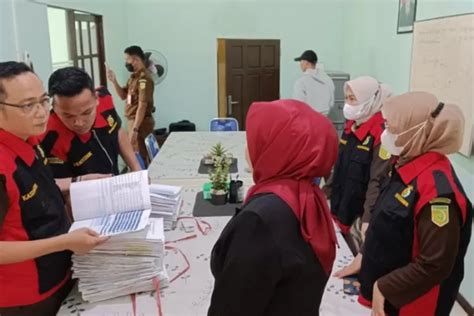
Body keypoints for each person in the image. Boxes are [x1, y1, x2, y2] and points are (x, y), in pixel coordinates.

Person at [208, 99, 339, 316]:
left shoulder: (260, 221)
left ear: (277, 149)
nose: (248, 146)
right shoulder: (307, 197)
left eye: (257, 138)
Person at [0, 61, 108, 315]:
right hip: (24, 297)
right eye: (28, 105)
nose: (41, 113)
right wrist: (63, 242)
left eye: (43, 101)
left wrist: (79, 184)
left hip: (60, 274)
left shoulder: (28, 140)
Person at [358, 92, 472, 316]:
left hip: (414, 304)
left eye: (391, 127)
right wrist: (365, 255)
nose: (385, 133)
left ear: (417, 131)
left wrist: (384, 287)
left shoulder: (439, 194)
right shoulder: (404, 163)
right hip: (388, 287)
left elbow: (435, 264)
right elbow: (390, 222)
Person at [323, 76, 392, 247]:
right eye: (346, 98)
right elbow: (339, 165)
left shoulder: (381, 134)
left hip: (359, 216)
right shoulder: (351, 125)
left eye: (352, 99)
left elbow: (378, 179)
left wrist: (367, 219)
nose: (347, 104)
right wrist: (324, 193)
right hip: (341, 204)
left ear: (370, 100)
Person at [39, 67, 141, 181]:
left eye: (86, 112)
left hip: (114, 182)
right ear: (53, 107)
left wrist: (137, 170)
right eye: (68, 116)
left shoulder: (105, 99)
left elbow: (117, 131)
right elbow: (57, 187)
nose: (79, 123)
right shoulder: (49, 136)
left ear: (96, 98)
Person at [107, 45, 155, 164]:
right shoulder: (133, 78)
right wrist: (114, 81)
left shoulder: (145, 79)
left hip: (140, 123)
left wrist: (135, 128)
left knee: (140, 156)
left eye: (127, 59)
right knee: (134, 153)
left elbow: (142, 105)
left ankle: (143, 180)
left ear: (136, 60)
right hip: (133, 121)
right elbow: (123, 95)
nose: (126, 62)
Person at [293, 50, 335, 115]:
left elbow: (298, 105)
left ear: (306, 63)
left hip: (308, 118)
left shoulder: (301, 82)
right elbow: (331, 103)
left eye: (301, 62)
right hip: (324, 118)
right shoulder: (328, 79)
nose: (300, 64)